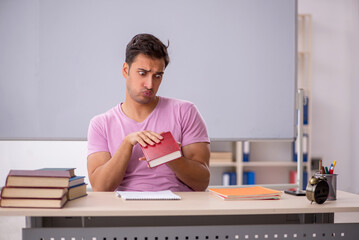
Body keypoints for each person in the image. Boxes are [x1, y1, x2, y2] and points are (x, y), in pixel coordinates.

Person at [87, 33, 210, 192]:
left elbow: (202, 183)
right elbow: (101, 187)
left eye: (157, 76)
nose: (150, 84)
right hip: (124, 211)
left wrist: (169, 155)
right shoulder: (101, 124)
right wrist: (127, 143)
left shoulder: (185, 112)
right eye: (142, 73)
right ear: (126, 70)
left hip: (177, 208)